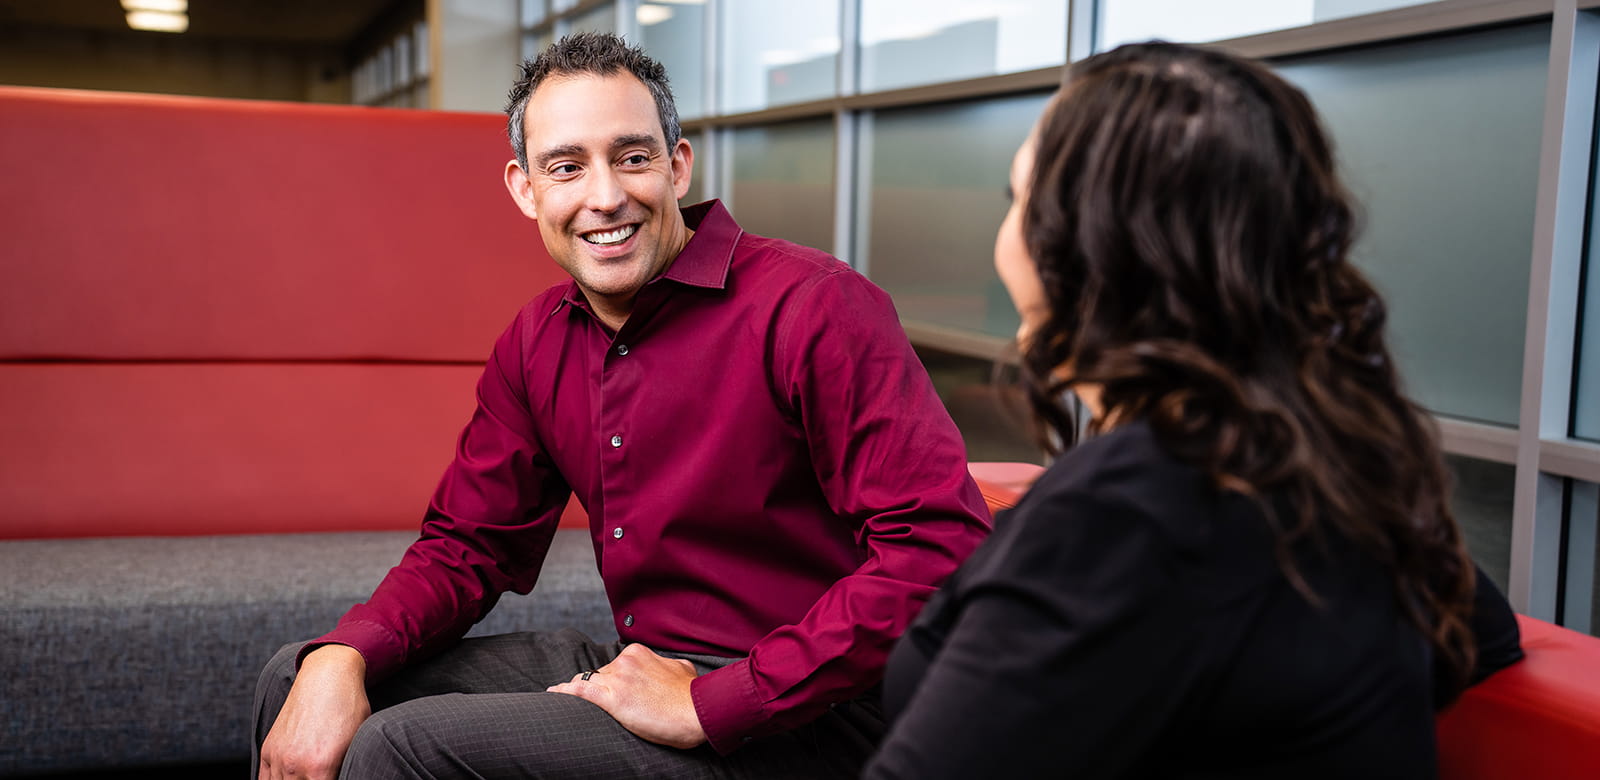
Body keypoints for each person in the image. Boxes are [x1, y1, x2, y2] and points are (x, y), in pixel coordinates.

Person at [253, 32, 991, 779]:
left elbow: (941, 549)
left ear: (678, 165)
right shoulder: (537, 341)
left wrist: (712, 702)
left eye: (633, 158)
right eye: (566, 167)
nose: (605, 196)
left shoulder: (815, 305)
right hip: (650, 669)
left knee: (403, 746)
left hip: (821, 712)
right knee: (304, 676)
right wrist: (346, 653)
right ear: (525, 189)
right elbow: (467, 546)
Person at [862, 42, 1524, 779]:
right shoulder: (1322, 452)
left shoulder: (1131, 506)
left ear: (1089, 240)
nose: (1007, 231)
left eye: (1016, 199)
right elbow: (1485, 637)